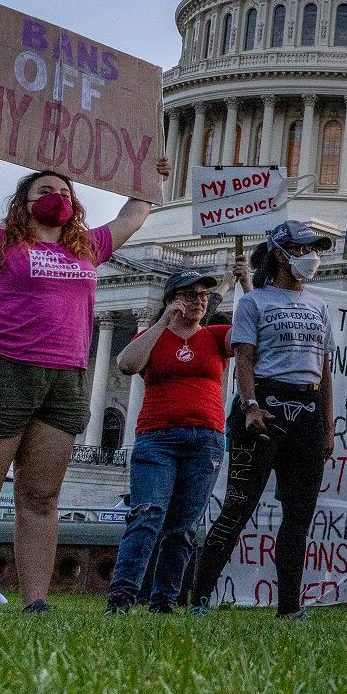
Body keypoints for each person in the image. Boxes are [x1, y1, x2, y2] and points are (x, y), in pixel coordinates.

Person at [0, 116, 164, 614]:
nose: (56, 194)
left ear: (74, 205)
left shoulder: (89, 249)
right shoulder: (1, 244)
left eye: (64, 189)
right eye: (45, 189)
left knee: (41, 496)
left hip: (65, 378)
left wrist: (150, 179)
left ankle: (36, 599)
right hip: (2, 369)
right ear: (25, 204)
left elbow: (135, 215)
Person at [187, 221, 338, 619]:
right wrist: (251, 405)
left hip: (306, 409)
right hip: (264, 407)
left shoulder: (319, 307)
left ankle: (289, 606)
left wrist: (328, 426)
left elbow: (324, 372)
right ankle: (199, 596)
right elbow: (245, 360)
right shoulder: (254, 303)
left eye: (313, 250)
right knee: (238, 506)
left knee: (299, 517)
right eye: (303, 250)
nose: (311, 258)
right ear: (280, 255)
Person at [106, 261, 249, 613]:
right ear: (172, 300)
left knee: (183, 527)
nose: (199, 301)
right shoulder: (155, 338)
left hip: (206, 439)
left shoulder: (215, 336)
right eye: (190, 295)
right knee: (146, 516)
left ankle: (165, 600)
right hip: (157, 438)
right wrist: (162, 322)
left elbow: (253, 332)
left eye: (203, 296)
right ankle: (122, 598)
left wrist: (245, 284)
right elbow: (127, 363)